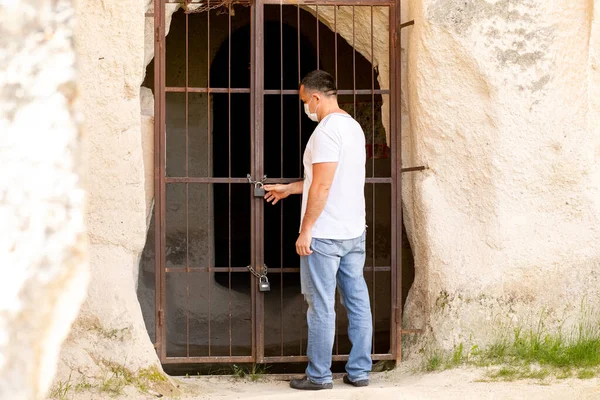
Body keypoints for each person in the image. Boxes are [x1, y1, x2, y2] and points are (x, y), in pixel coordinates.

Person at [263, 70, 372, 390]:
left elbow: (323, 187)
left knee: (321, 305)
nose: (305, 108)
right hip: (354, 231)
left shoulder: (326, 133)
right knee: (357, 301)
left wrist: (306, 229)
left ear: (315, 98)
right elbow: (327, 181)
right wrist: (290, 188)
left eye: (304, 101)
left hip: (324, 235)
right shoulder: (353, 128)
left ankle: (320, 376)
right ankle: (360, 371)